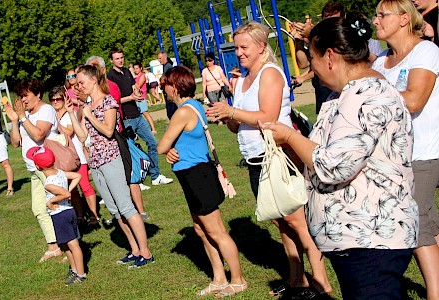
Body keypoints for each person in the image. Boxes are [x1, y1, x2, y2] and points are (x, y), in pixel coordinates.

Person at [262, 15, 418, 299]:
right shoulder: (344, 95)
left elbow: (335, 166)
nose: (313, 69)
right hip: (356, 239)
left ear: (330, 57)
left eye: (313, 59)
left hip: (372, 239)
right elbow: (325, 154)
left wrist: (291, 137)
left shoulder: (368, 95)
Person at [206, 22, 332, 298]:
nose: (238, 53)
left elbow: (268, 117)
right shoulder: (242, 79)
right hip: (255, 159)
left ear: (261, 47)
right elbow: (237, 126)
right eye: (235, 47)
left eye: (243, 47)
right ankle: (297, 279)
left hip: (278, 156)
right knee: (280, 220)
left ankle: (321, 283)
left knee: (297, 221)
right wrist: (225, 115)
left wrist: (233, 111)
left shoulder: (270, 74)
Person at [157, 66, 248, 297]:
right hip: (193, 175)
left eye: (164, 85)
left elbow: (160, 146)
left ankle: (238, 279)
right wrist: (170, 151)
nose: (162, 89)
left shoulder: (183, 112)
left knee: (216, 230)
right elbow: (176, 145)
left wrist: (167, 150)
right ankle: (219, 277)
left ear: (174, 87)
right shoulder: (194, 106)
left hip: (198, 176)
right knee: (200, 229)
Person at [371, 1, 439, 298]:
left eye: (381, 15)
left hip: (423, 152)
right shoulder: (379, 62)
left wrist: (373, 94)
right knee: (430, 226)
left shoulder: (426, 51)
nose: (375, 21)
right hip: (393, 158)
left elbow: (414, 101)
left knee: (417, 229)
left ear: (402, 19)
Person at [66, 65, 155, 268]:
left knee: (126, 207)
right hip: (96, 163)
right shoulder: (87, 105)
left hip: (112, 159)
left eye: (81, 82)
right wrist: (73, 113)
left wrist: (88, 115)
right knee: (115, 211)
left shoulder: (108, 101)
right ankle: (134, 250)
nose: (78, 86)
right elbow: (82, 136)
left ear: (93, 80)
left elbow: (108, 130)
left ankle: (146, 252)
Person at [4, 79, 62, 262]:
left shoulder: (46, 110)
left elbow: (38, 134)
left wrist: (22, 117)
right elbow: (14, 143)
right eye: (21, 96)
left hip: (49, 168)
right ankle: (54, 246)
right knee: (38, 208)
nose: (23, 100)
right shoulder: (25, 115)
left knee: (57, 206)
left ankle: (69, 244)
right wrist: (15, 120)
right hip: (33, 169)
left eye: (26, 95)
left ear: (37, 94)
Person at [107, 48, 174, 190]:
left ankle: (155, 175)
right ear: (111, 60)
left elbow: (133, 86)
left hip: (137, 114)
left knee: (152, 143)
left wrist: (136, 92)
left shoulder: (126, 72)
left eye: (121, 57)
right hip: (125, 118)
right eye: (117, 58)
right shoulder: (110, 77)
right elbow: (114, 100)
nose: (120, 60)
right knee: (132, 150)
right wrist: (130, 98)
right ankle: (137, 180)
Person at [27, 146, 86, 286]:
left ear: (37, 166)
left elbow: (65, 194)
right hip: (67, 212)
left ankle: (81, 274)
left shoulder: (48, 184)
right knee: (64, 244)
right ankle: (73, 269)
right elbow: (77, 176)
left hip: (61, 214)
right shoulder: (60, 172)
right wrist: (68, 188)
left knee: (73, 244)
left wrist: (51, 201)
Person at [49, 86, 99, 227]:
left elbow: (69, 132)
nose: (55, 102)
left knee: (85, 186)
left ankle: (94, 215)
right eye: (52, 100)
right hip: (62, 159)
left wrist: (55, 123)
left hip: (77, 156)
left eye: (58, 99)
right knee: (73, 190)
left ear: (65, 98)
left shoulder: (70, 114)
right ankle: (80, 216)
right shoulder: (53, 115)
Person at [132, 62, 157, 133]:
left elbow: (138, 86)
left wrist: (133, 82)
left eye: (137, 68)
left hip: (141, 97)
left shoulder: (142, 76)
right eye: (134, 69)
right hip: (135, 97)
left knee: (145, 113)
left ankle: (153, 128)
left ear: (141, 68)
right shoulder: (134, 77)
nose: (135, 70)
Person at [157, 51, 176, 119]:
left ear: (165, 57)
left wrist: (161, 83)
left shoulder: (167, 67)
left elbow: (166, 79)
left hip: (170, 93)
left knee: (171, 112)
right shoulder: (166, 66)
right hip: (168, 92)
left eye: (160, 58)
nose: (159, 61)